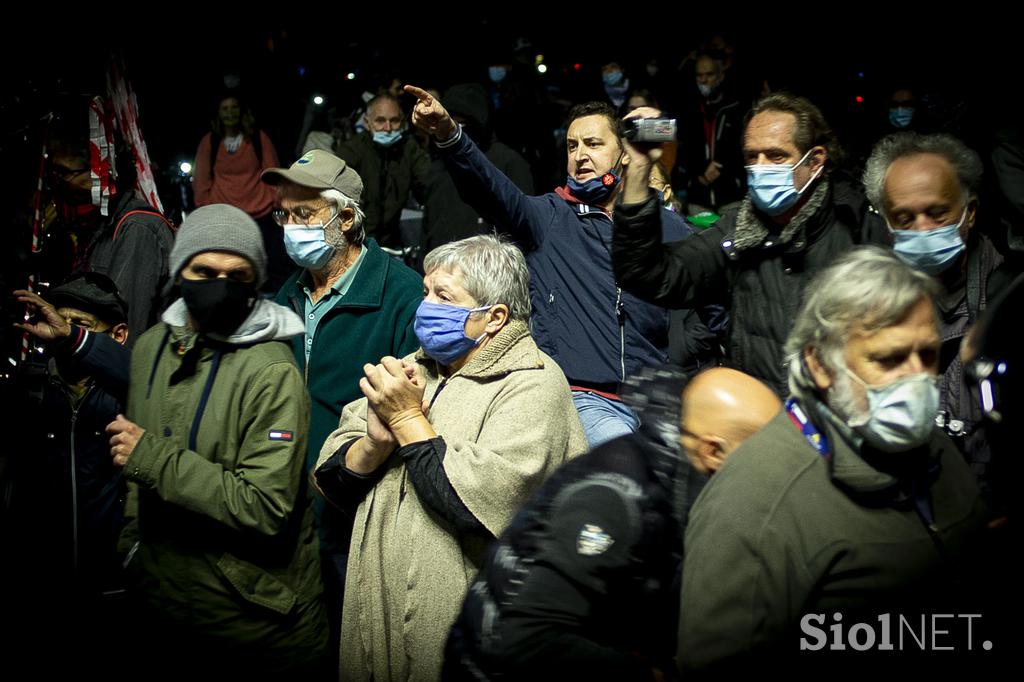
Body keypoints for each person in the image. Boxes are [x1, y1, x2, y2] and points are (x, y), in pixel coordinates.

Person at [677, 247, 988, 672]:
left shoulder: (934, 450)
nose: (917, 380)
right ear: (821, 365)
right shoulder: (754, 503)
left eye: (928, 356)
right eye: (889, 359)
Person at [314, 234, 587, 681]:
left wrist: (404, 419)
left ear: (495, 317)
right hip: (379, 604)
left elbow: (476, 503)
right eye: (425, 292)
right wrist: (375, 444)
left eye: (444, 296)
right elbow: (331, 480)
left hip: (466, 623)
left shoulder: (533, 383)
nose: (425, 306)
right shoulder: (412, 369)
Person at [445, 366, 780, 680]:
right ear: (713, 451)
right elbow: (526, 638)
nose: (773, 468)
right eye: (763, 452)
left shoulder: (682, 482)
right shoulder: (614, 497)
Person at [406, 84, 692, 448]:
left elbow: (704, 309)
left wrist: (659, 126)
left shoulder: (663, 226)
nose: (580, 155)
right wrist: (448, 133)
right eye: (572, 146)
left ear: (623, 153)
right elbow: (486, 185)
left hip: (657, 399)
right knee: (634, 465)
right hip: (585, 399)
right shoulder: (548, 217)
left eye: (593, 143)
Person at [109, 204, 327, 674]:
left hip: (253, 624)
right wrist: (133, 549)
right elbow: (133, 476)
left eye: (238, 274)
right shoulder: (149, 349)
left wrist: (152, 458)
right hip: (164, 609)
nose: (220, 284)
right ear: (179, 270)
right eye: (204, 270)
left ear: (256, 283)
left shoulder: (271, 370)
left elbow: (266, 508)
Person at [614, 92, 889, 397]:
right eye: (751, 156)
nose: (760, 168)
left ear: (815, 161)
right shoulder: (738, 230)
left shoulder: (858, 229)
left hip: (838, 421)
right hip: (759, 420)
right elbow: (650, 274)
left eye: (776, 156)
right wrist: (638, 169)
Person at [262, 149, 422, 628]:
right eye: (284, 215)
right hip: (285, 505)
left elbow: (414, 414)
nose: (291, 227)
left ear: (347, 218)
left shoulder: (402, 295)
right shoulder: (284, 295)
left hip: (356, 509)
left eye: (305, 214)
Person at [863, 132, 1016, 507]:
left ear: (971, 211)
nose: (923, 229)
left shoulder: (1008, 307)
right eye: (904, 217)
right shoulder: (871, 305)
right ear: (887, 225)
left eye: (937, 213)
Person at [48, 116, 174, 342]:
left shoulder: (137, 229)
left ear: (99, 171)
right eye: (55, 172)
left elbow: (126, 334)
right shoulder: (97, 224)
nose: (59, 182)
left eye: (66, 173)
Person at [192, 92, 286, 290]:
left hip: (261, 213)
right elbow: (201, 179)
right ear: (218, 113)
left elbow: (272, 172)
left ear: (241, 111)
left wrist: (274, 200)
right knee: (233, 268)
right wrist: (207, 208)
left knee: (273, 265)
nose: (230, 113)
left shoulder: (258, 138)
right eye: (225, 109)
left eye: (233, 107)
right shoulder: (211, 141)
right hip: (226, 216)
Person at [335, 93, 430, 250]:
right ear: (367, 123)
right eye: (380, 121)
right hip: (353, 241)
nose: (388, 128)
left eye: (394, 121)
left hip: (390, 240)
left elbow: (427, 185)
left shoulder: (409, 148)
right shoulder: (351, 151)